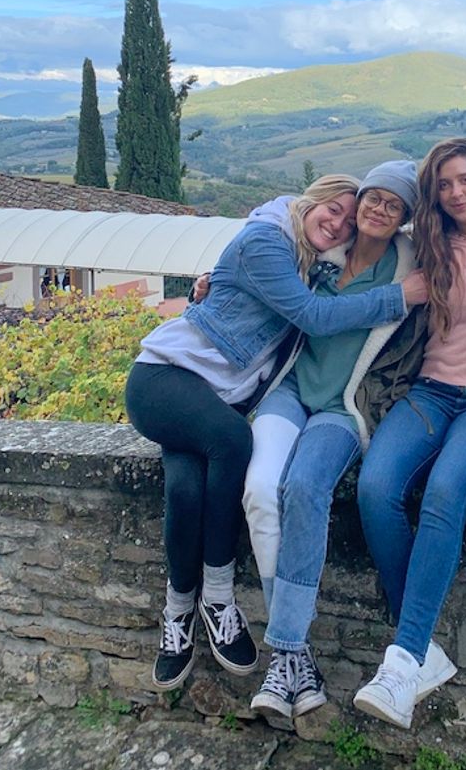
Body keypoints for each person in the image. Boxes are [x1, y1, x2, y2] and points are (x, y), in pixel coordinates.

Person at [125, 174, 427, 692]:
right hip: (166, 378)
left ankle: (178, 611)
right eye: (329, 210)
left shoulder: (310, 262)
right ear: (306, 203)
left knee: (185, 487)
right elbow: (311, 316)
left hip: (214, 399)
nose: (336, 223)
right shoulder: (268, 238)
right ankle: (218, 597)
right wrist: (397, 298)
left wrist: (210, 281)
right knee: (236, 444)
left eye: (345, 219)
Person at [352, 139, 466, 729]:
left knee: (445, 494)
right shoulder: (425, 244)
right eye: (443, 186)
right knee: (375, 488)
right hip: (429, 390)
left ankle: (402, 661)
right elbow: (330, 236)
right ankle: (419, 645)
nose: (455, 193)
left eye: (464, 180)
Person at [247, 161, 420, 727]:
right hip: (291, 389)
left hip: (343, 406)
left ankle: (285, 653)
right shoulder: (325, 252)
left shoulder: (413, 263)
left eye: (392, 205)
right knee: (259, 489)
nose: (375, 210)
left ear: (404, 219)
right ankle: (295, 659)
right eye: (372, 197)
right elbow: (264, 253)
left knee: (304, 486)